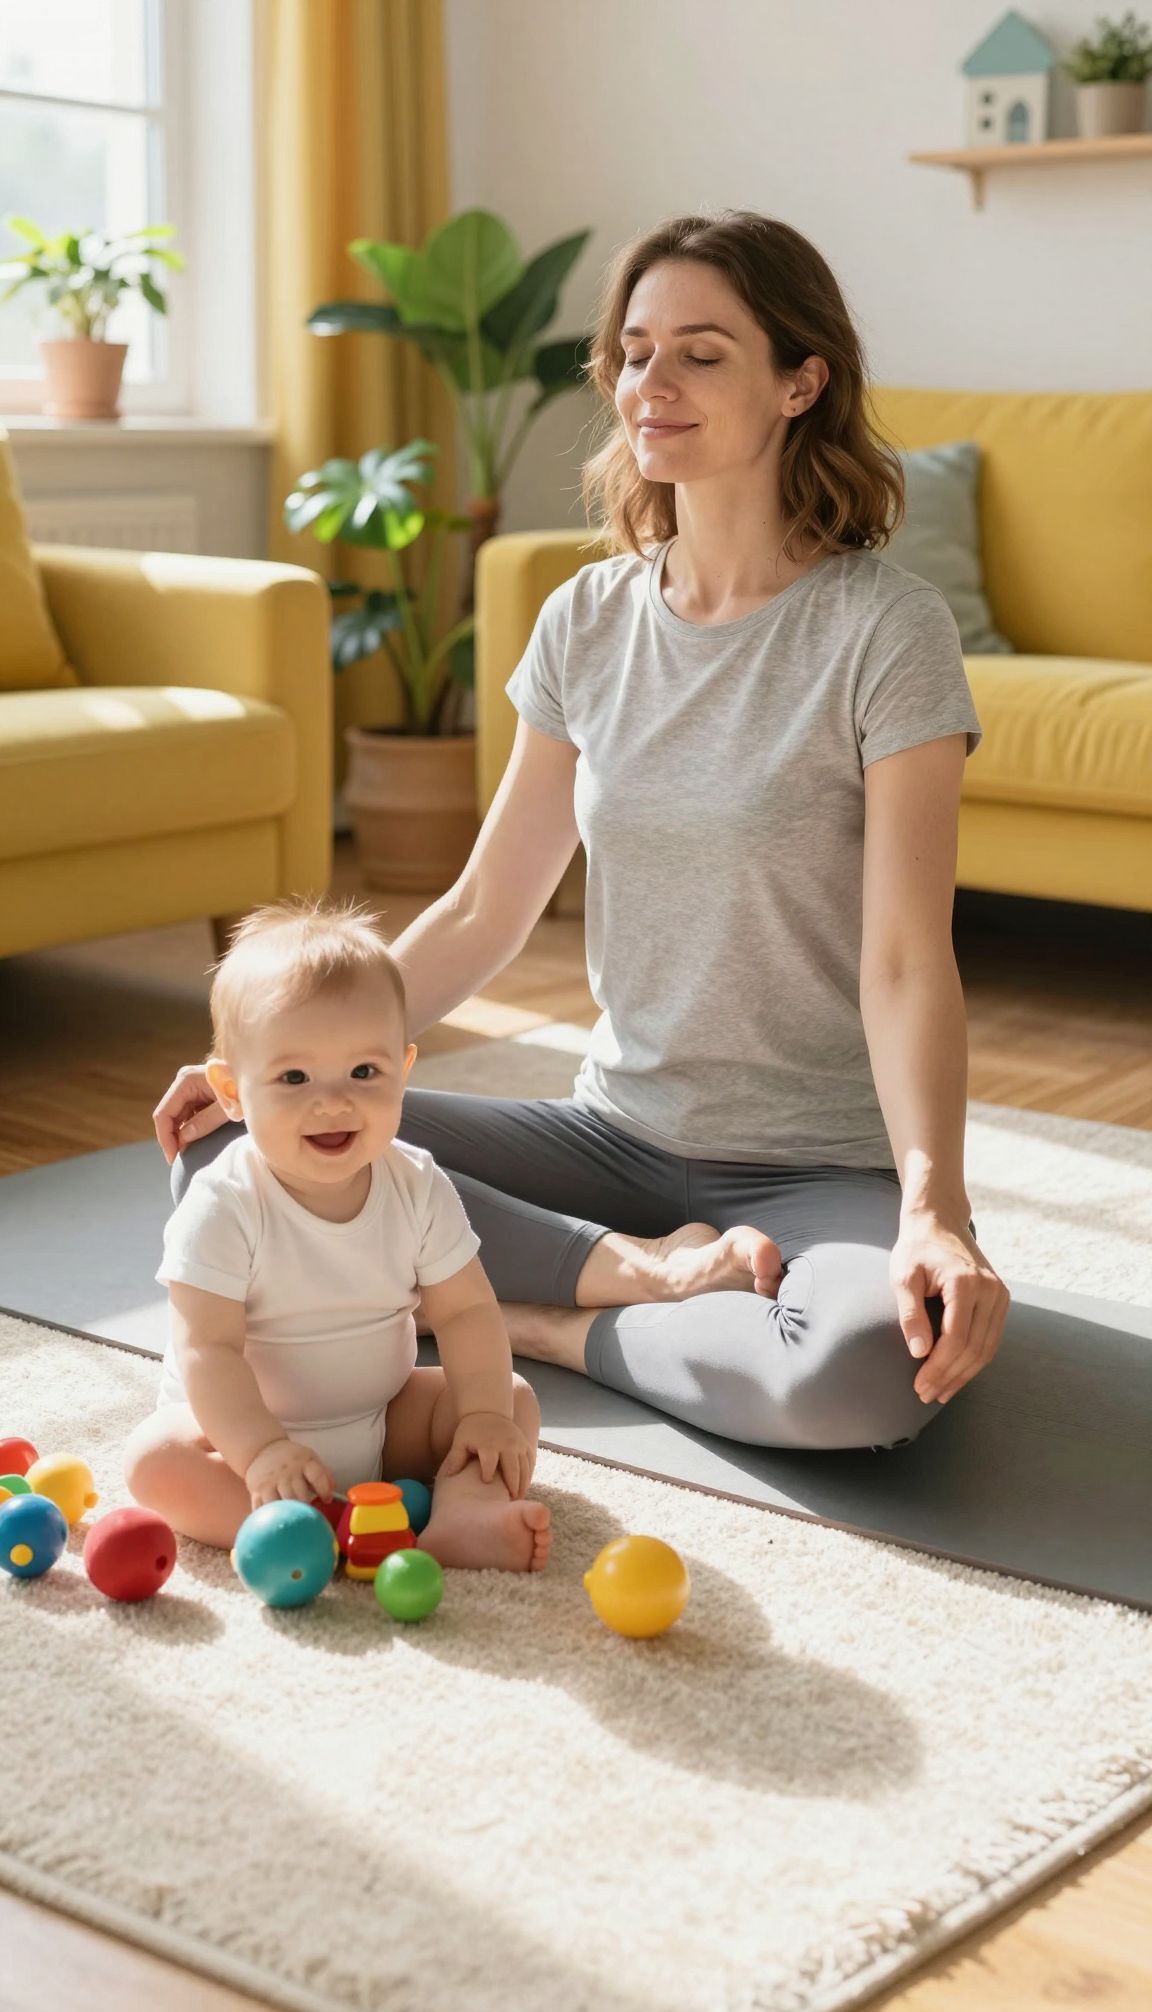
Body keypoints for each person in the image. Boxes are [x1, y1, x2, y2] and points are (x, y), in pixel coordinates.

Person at [153, 207, 1010, 1457]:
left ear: (799, 380)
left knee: (867, 1373)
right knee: (233, 1140)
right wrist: (267, 1057)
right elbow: (486, 908)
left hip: (811, 1162)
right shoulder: (587, 618)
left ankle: (542, 1320)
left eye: (702, 354)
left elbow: (903, 959)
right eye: (634, 350)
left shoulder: (886, 628)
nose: (648, 384)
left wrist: (936, 1207)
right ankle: (625, 1273)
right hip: (610, 1139)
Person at [126, 900, 552, 1571]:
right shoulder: (225, 1202)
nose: (333, 1101)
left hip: (380, 1418)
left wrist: (483, 1419)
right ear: (231, 1093)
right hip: (240, 1441)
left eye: (364, 1072)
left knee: (509, 1402)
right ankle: (303, 1533)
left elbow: (467, 1311)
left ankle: (464, 1514)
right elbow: (207, 1349)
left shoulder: (415, 1182)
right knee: (156, 1460)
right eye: (294, 1078)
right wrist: (262, 1450)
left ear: (403, 1069)